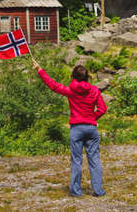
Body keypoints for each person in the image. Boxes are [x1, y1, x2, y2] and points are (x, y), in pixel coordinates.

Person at [32, 59, 107, 197]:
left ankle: (76, 192)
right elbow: (103, 108)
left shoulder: (71, 91)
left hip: (76, 129)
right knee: (94, 159)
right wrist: (92, 118)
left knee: (76, 160)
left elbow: (53, 85)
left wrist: (39, 69)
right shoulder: (95, 91)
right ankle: (98, 190)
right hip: (91, 128)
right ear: (87, 77)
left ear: (73, 76)